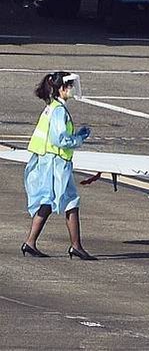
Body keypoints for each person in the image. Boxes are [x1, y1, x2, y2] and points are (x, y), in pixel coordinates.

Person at [22, 71, 95, 260]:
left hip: (48, 161)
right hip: (56, 162)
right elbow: (60, 139)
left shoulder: (52, 107)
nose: (71, 89)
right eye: (69, 86)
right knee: (70, 200)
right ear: (61, 88)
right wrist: (79, 138)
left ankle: (30, 243)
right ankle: (76, 246)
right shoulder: (59, 110)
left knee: (47, 201)